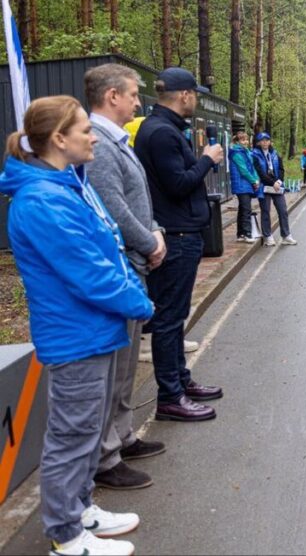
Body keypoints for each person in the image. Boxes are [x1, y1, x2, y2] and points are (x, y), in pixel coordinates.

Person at [1, 96, 154, 556]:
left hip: (92, 328)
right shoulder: (44, 200)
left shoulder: (64, 185)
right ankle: (66, 535)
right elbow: (90, 271)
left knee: (86, 429)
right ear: (59, 139)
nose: (95, 136)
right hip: (76, 334)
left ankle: (79, 508)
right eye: (85, 129)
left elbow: (103, 248)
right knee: (72, 434)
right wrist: (139, 301)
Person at [84, 65, 169, 492]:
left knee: (126, 363)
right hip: (124, 265)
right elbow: (114, 208)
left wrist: (153, 232)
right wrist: (150, 242)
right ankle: (105, 456)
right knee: (115, 366)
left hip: (135, 261)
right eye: (134, 95)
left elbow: (137, 199)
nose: (139, 103)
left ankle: (122, 435)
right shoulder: (97, 145)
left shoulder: (117, 140)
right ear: (112, 95)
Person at [133, 67, 224, 423]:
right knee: (169, 319)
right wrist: (207, 160)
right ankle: (170, 395)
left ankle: (180, 381)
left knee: (174, 316)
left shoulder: (164, 129)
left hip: (181, 232)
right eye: (195, 95)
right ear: (184, 94)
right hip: (176, 236)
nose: (196, 100)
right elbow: (177, 184)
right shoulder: (161, 134)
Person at [252, 132, 297, 246]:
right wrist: (273, 183)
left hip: (277, 186)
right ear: (259, 142)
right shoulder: (255, 155)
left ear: (270, 141)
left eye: (267, 140)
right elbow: (260, 173)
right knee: (266, 211)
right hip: (264, 186)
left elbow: (281, 169)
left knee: (283, 210)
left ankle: (286, 235)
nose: (265, 142)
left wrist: (279, 181)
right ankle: (268, 236)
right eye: (262, 140)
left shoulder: (275, 153)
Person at [229, 130, 260, 243]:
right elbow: (243, 170)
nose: (245, 142)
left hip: (246, 183)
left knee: (242, 209)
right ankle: (247, 233)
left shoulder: (245, 151)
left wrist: (256, 179)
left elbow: (252, 167)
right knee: (246, 208)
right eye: (243, 140)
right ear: (237, 141)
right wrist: (254, 180)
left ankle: (240, 234)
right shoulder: (236, 153)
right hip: (241, 184)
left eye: (246, 139)